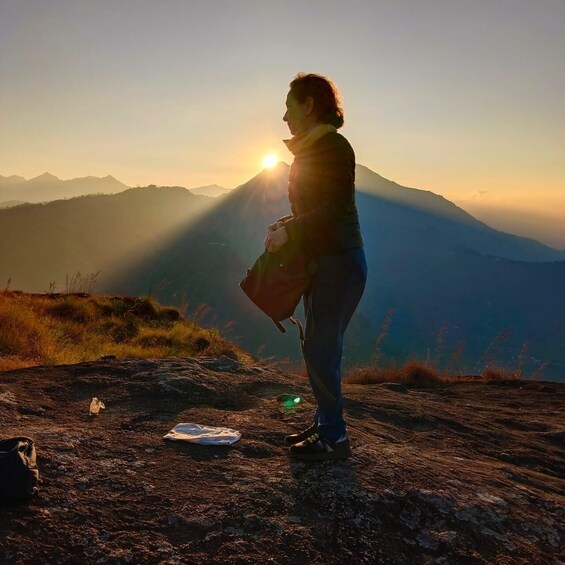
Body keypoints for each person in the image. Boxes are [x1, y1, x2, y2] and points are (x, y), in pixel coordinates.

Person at [264, 73, 367, 461]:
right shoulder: (313, 149)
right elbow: (314, 212)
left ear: (308, 105)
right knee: (316, 345)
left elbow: (333, 210)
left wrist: (292, 231)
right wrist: (287, 225)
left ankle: (334, 438)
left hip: (338, 262)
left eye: (289, 107)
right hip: (326, 262)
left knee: (323, 347)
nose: (284, 118)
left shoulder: (333, 148)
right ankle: (326, 421)